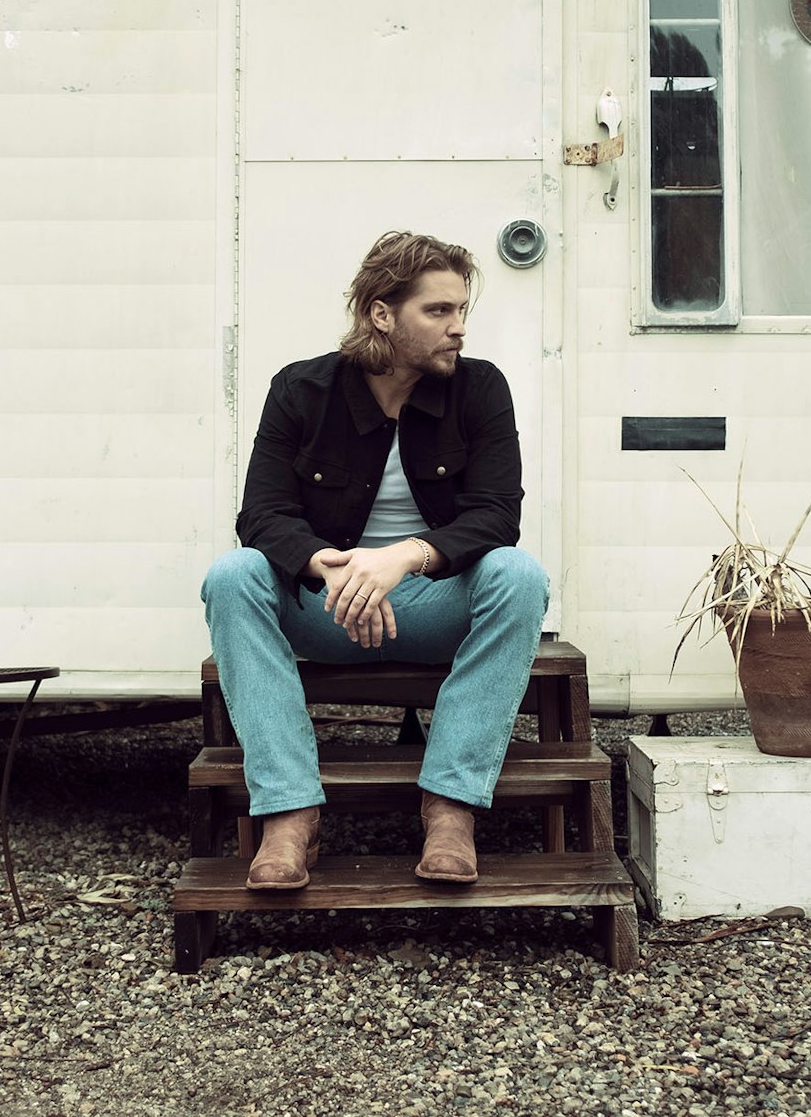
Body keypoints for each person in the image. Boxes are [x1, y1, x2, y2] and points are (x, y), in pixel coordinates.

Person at [200, 230, 550, 890]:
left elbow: (498, 514)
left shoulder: (479, 389)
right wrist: (329, 570)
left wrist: (405, 558)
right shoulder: (302, 390)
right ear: (382, 314)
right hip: (325, 606)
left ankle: (450, 808)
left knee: (519, 575)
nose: (459, 328)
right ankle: (288, 815)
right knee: (232, 575)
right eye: (438, 311)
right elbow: (262, 515)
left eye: (461, 310)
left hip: (430, 604)